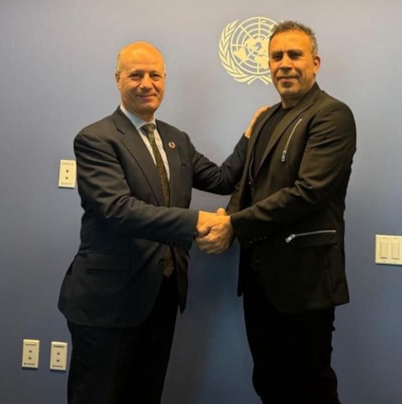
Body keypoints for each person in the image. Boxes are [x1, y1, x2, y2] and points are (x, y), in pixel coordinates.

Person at [57, 41, 259, 404]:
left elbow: (221, 179)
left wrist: (250, 137)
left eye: (155, 75)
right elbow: (118, 209)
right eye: (136, 75)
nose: (146, 83)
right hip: (108, 301)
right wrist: (197, 222)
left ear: (164, 79)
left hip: (162, 295)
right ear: (118, 80)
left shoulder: (175, 139)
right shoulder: (96, 139)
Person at [198, 21, 357, 404]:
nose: (284, 63)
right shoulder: (265, 119)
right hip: (260, 279)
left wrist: (233, 224)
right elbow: (246, 186)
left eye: (294, 55)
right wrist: (228, 220)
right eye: (276, 56)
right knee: (269, 384)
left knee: (311, 389)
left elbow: (308, 193)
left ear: (315, 62)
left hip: (306, 281)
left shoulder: (332, 115)